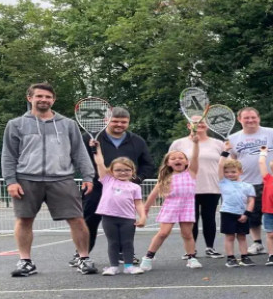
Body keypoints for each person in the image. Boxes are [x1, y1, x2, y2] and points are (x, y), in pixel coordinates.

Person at [2, 82, 97, 277]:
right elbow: (8, 155)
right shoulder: (16, 124)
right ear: (30, 98)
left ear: (53, 100)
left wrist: (88, 176)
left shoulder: (68, 124)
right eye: (39, 96)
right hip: (27, 179)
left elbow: (79, 152)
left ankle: (84, 258)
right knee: (24, 220)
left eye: (48, 97)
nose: (44, 100)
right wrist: (10, 181)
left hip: (61, 179)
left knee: (77, 219)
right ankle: (25, 261)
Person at [75, 107, 155, 268]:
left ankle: (124, 254)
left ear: (128, 122)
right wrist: (87, 178)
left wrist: (137, 179)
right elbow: (78, 159)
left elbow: (149, 165)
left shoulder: (137, 141)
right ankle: (82, 255)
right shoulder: (89, 138)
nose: (119, 124)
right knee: (89, 221)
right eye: (115, 121)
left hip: (124, 192)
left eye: (123, 122)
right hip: (96, 188)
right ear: (106, 121)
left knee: (125, 223)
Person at [227, 107, 273, 255]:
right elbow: (232, 162)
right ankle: (257, 243)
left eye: (253, 117)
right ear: (239, 119)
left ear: (259, 118)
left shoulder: (272, 133)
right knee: (252, 216)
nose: (250, 120)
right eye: (246, 118)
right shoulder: (233, 138)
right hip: (247, 184)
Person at [139, 131, 201, 271]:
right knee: (163, 233)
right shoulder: (166, 178)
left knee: (187, 234)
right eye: (173, 158)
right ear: (168, 162)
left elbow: (196, 156)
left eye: (181, 157)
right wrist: (146, 209)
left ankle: (191, 257)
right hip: (171, 206)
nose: (177, 159)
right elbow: (153, 195)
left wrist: (196, 144)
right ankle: (148, 257)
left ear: (186, 162)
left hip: (187, 207)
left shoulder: (191, 172)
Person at [169, 114, 225, 259]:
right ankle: (190, 251)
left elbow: (227, 164)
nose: (199, 124)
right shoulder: (179, 143)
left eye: (202, 122)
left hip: (211, 186)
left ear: (207, 125)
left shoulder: (218, 144)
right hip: (187, 188)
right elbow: (170, 163)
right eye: (195, 122)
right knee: (190, 220)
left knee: (209, 218)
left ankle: (210, 248)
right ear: (189, 126)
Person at [91, 143, 146, 275]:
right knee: (113, 242)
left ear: (133, 172)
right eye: (118, 170)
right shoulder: (107, 180)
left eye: (127, 170)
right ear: (111, 171)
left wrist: (142, 217)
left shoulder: (135, 187)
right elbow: (99, 163)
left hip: (127, 219)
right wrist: (97, 149)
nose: (123, 173)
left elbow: (138, 203)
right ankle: (113, 266)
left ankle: (129, 266)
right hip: (109, 218)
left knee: (127, 242)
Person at [216, 155, 257, 267]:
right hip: (227, 212)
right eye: (227, 172)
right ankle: (230, 258)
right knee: (229, 236)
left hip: (242, 213)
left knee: (242, 236)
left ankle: (244, 257)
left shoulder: (248, 186)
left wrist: (246, 214)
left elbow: (251, 201)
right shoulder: (223, 182)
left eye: (233, 172)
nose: (230, 174)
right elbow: (220, 165)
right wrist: (225, 152)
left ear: (240, 172)